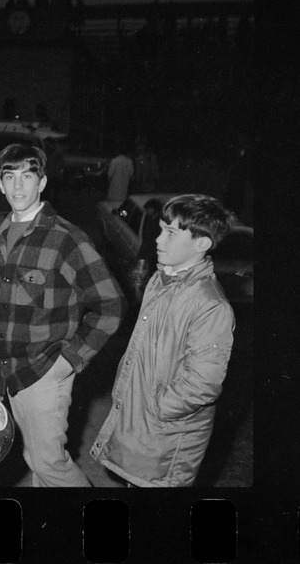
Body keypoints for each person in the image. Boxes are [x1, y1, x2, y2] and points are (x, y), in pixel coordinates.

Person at [0, 144, 125, 487]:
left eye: (27, 176)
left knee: (49, 463)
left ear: (42, 182)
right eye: (9, 177)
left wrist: (70, 359)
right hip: (10, 372)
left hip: (45, 370)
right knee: (35, 459)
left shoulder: (66, 239)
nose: (18, 187)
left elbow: (111, 305)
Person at [90, 195, 235, 487]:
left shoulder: (210, 305)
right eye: (160, 229)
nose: (157, 240)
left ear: (202, 244)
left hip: (165, 437)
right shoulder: (161, 279)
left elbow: (203, 383)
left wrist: (156, 408)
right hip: (142, 429)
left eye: (170, 233)